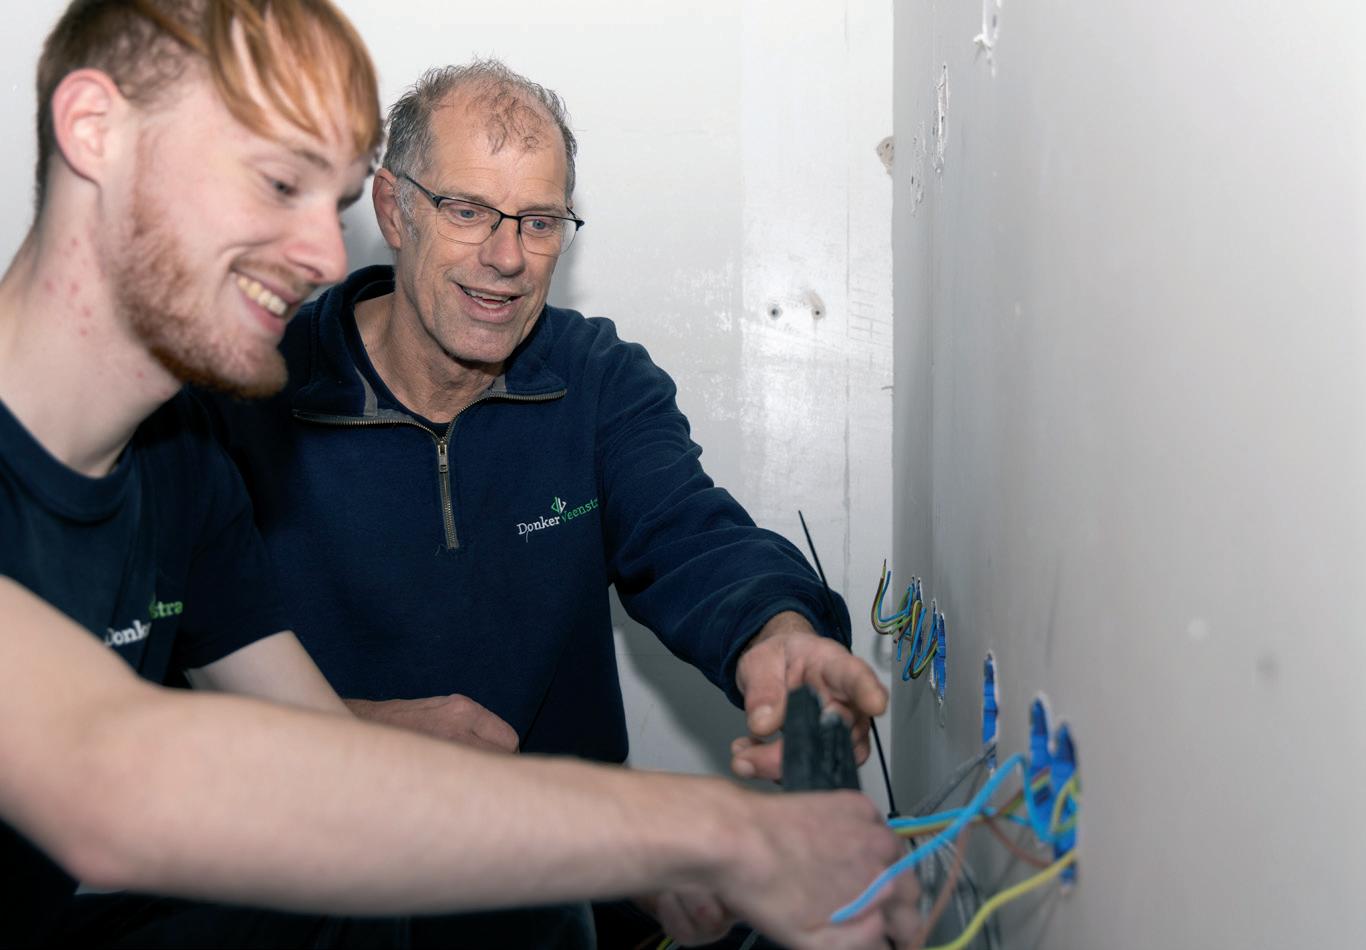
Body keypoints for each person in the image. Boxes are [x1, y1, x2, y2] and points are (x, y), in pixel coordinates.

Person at [0, 2, 919, 948]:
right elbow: (118, 772)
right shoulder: (223, 420)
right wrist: (705, 834)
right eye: (277, 183)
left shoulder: (178, 465)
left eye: (539, 221)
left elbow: (315, 762)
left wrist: (648, 841)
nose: (324, 255)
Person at [206, 59, 888, 790]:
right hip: (312, 835)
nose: (507, 259)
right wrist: (350, 732)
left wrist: (779, 634)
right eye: (467, 211)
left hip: (566, 841)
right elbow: (157, 671)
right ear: (395, 211)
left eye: (539, 223)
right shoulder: (245, 391)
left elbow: (692, 536)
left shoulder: (598, 378)